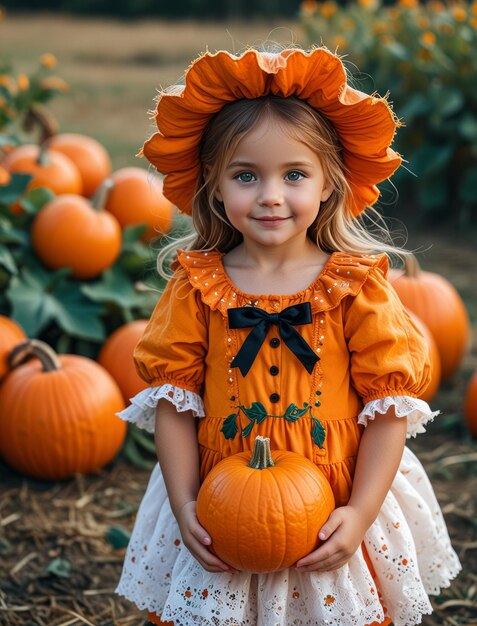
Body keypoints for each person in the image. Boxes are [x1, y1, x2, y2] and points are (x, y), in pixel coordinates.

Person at [115, 46, 460, 626]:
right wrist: (184, 503)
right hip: (223, 501)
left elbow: (388, 407)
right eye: (246, 175)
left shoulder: (356, 286)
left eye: (294, 174)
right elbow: (175, 403)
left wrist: (361, 512)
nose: (271, 195)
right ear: (215, 185)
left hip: (335, 499)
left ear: (330, 184)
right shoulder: (199, 286)